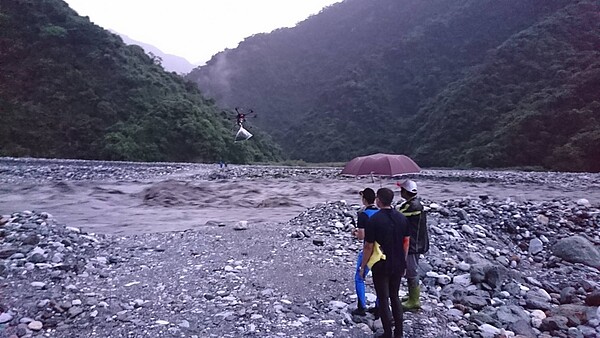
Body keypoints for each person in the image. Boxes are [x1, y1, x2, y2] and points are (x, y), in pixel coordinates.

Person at [360, 188, 410, 338]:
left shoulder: (373, 220)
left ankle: (388, 333)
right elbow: (406, 242)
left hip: (381, 264)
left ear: (378, 200)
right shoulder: (402, 218)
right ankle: (399, 333)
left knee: (383, 297)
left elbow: (368, 246)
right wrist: (404, 261)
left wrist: (363, 266)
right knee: (395, 296)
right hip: (398, 262)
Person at [396, 180, 429, 311]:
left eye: (402, 190)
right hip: (416, 242)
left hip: (414, 244)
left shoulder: (413, 206)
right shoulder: (413, 204)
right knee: (411, 269)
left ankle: (414, 300)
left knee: (411, 270)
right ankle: (411, 296)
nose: (400, 192)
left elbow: (398, 216)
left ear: (405, 191)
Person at [351, 188, 379, 316]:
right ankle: (379, 307)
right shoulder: (381, 213)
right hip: (382, 250)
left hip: (369, 250)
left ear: (364, 199)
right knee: (380, 279)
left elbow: (362, 236)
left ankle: (362, 306)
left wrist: (355, 232)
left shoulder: (363, 215)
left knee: (359, 277)